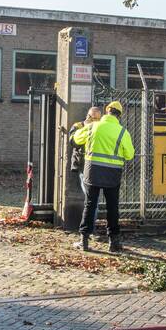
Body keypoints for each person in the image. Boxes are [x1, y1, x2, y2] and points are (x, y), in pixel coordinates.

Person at [71, 100, 135, 253]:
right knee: (113, 207)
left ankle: (84, 241)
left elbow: (75, 139)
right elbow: (130, 155)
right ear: (119, 115)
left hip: (92, 172)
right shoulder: (122, 132)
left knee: (90, 204)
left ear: (107, 111)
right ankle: (114, 242)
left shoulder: (93, 126)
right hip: (112, 175)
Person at [68, 106, 102, 177]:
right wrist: (86, 128)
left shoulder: (100, 128)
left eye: (98, 119)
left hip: (96, 162)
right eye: (93, 118)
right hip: (82, 163)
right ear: (88, 117)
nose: (95, 121)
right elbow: (73, 142)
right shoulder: (78, 126)